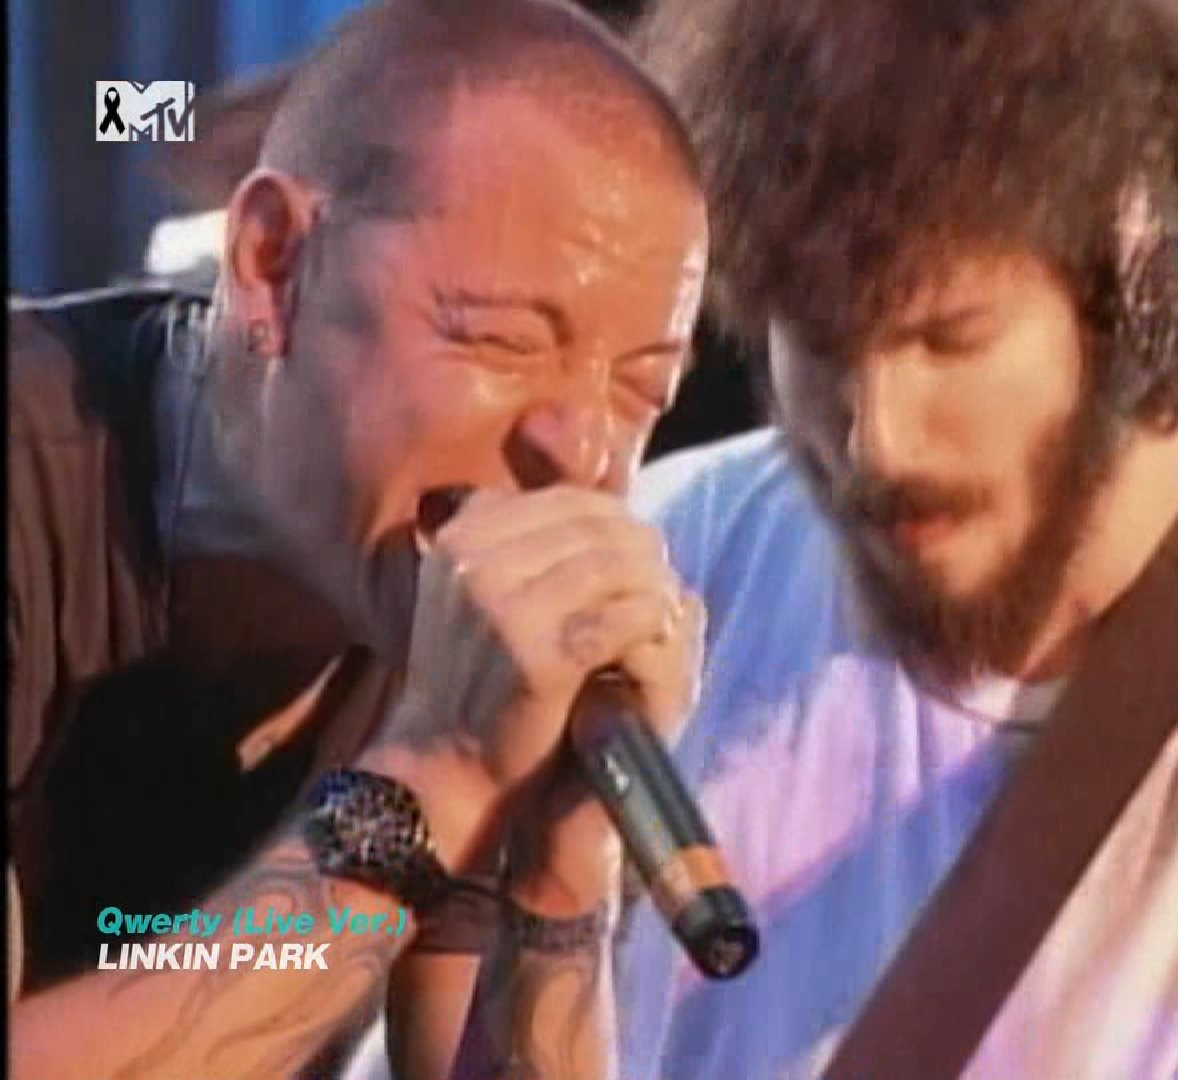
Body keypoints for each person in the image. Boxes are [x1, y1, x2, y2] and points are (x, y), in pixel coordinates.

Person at [602, 0, 1178, 1076]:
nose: (876, 440)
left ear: (1136, 282)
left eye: (951, 337)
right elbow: (399, 991)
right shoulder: (670, 549)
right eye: (822, 346)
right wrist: (446, 812)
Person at [6, 1, 709, 1077]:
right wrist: (436, 777)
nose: (582, 452)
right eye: (505, 341)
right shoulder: (32, 481)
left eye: (641, 390)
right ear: (273, 263)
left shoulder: (434, 608)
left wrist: (559, 868)